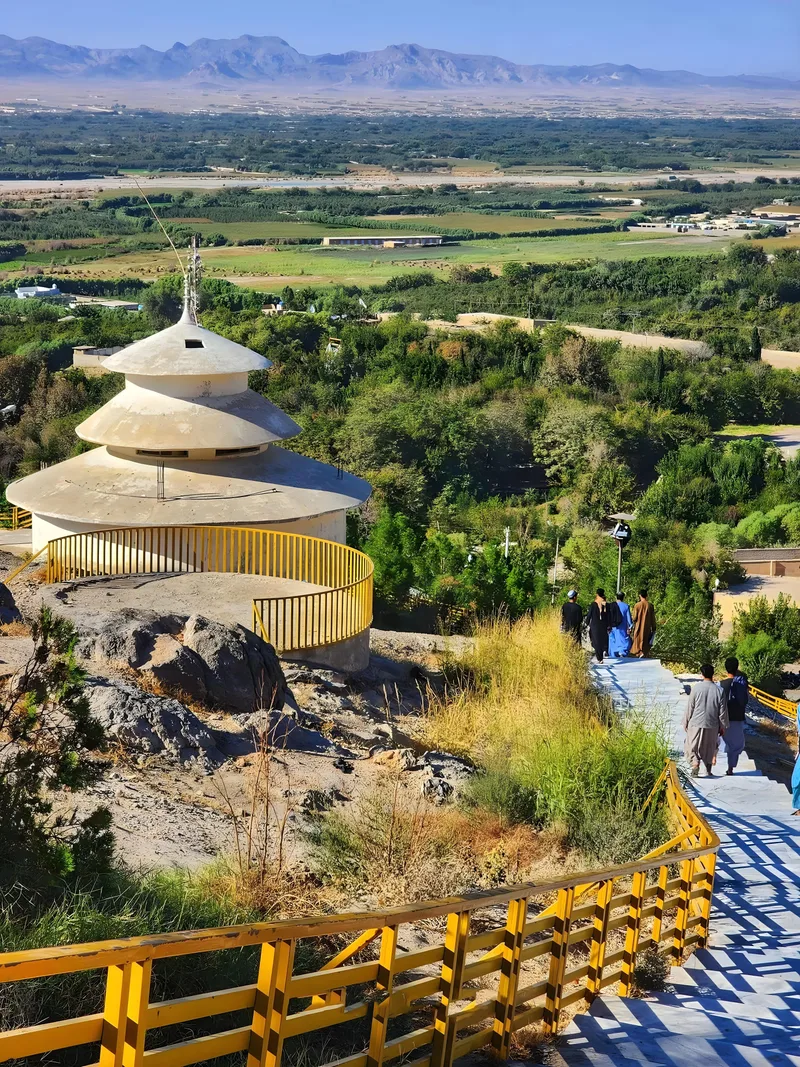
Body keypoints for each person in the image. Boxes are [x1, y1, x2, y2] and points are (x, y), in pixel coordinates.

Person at [683, 664, 728, 777]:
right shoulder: (720, 690)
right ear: (713, 674)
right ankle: (708, 770)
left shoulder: (696, 688)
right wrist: (723, 725)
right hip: (712, 723)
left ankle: (695, 764)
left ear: (702, 674)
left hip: (696, 722)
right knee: (709, 746)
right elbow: (722, 711)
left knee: (692, 745)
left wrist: (686, 721)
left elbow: (690, 707)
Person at [719, 656, 748, 775]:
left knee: (719, 743)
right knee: (736, 745)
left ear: (726, 669)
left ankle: (709, 767)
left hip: (723, 718)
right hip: (737, 718)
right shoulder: (742, 684)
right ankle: (730, 768)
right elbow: (745, 700)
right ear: (737, 668)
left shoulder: (721, 684)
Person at [585, 588, 609, 663]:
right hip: (603, 624)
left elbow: (589, 615)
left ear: (597, 594)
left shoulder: (593, 604)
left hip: (595, 625)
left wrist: (586, 623)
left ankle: (599, 657)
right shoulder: (605, 604)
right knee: (601, 640)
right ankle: (601, 655)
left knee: (596, 640)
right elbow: (607, 615)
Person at [631, 590, 656, 658]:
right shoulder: (650, 605)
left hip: (638, 627)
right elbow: (653, 618)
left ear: (640, 596)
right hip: (647, 627)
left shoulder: (637, 605)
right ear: (646, 596)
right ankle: (643, 653)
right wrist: (654, 627)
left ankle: (639, 653)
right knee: (646, 641)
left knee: (638, 640)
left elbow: (634, 617)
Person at [608, 591, 632, 658]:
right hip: (622, 627)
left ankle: (613, 653)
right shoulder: (626, 606)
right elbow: (629, 619)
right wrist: (630, 626)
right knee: (622, 640)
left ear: (616, 597)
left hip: (613, 626)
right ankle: (622, 652)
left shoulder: (612, 605)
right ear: (623, 598)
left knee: (613, 639)